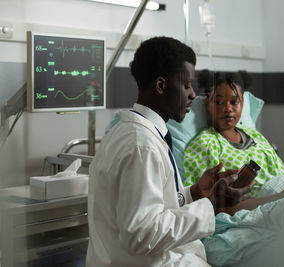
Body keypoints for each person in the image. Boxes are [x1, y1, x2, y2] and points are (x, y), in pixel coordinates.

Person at [86, 38, 252, 267]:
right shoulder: (142, 146)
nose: (193, 94)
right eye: (186, 85)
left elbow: (151, 204)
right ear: (161, 85)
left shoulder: (132, 133)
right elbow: (141, 234)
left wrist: (194, 192)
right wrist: (211, 205)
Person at [183, 70, 284, 215]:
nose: (228, 108)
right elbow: (209, 206)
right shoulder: (204, 144)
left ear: (243, 103)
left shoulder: (254, 135)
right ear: (207, 103)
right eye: (219, 102)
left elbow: (282, 173)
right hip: (264, 209)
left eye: (234, 102)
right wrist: (282, 196)